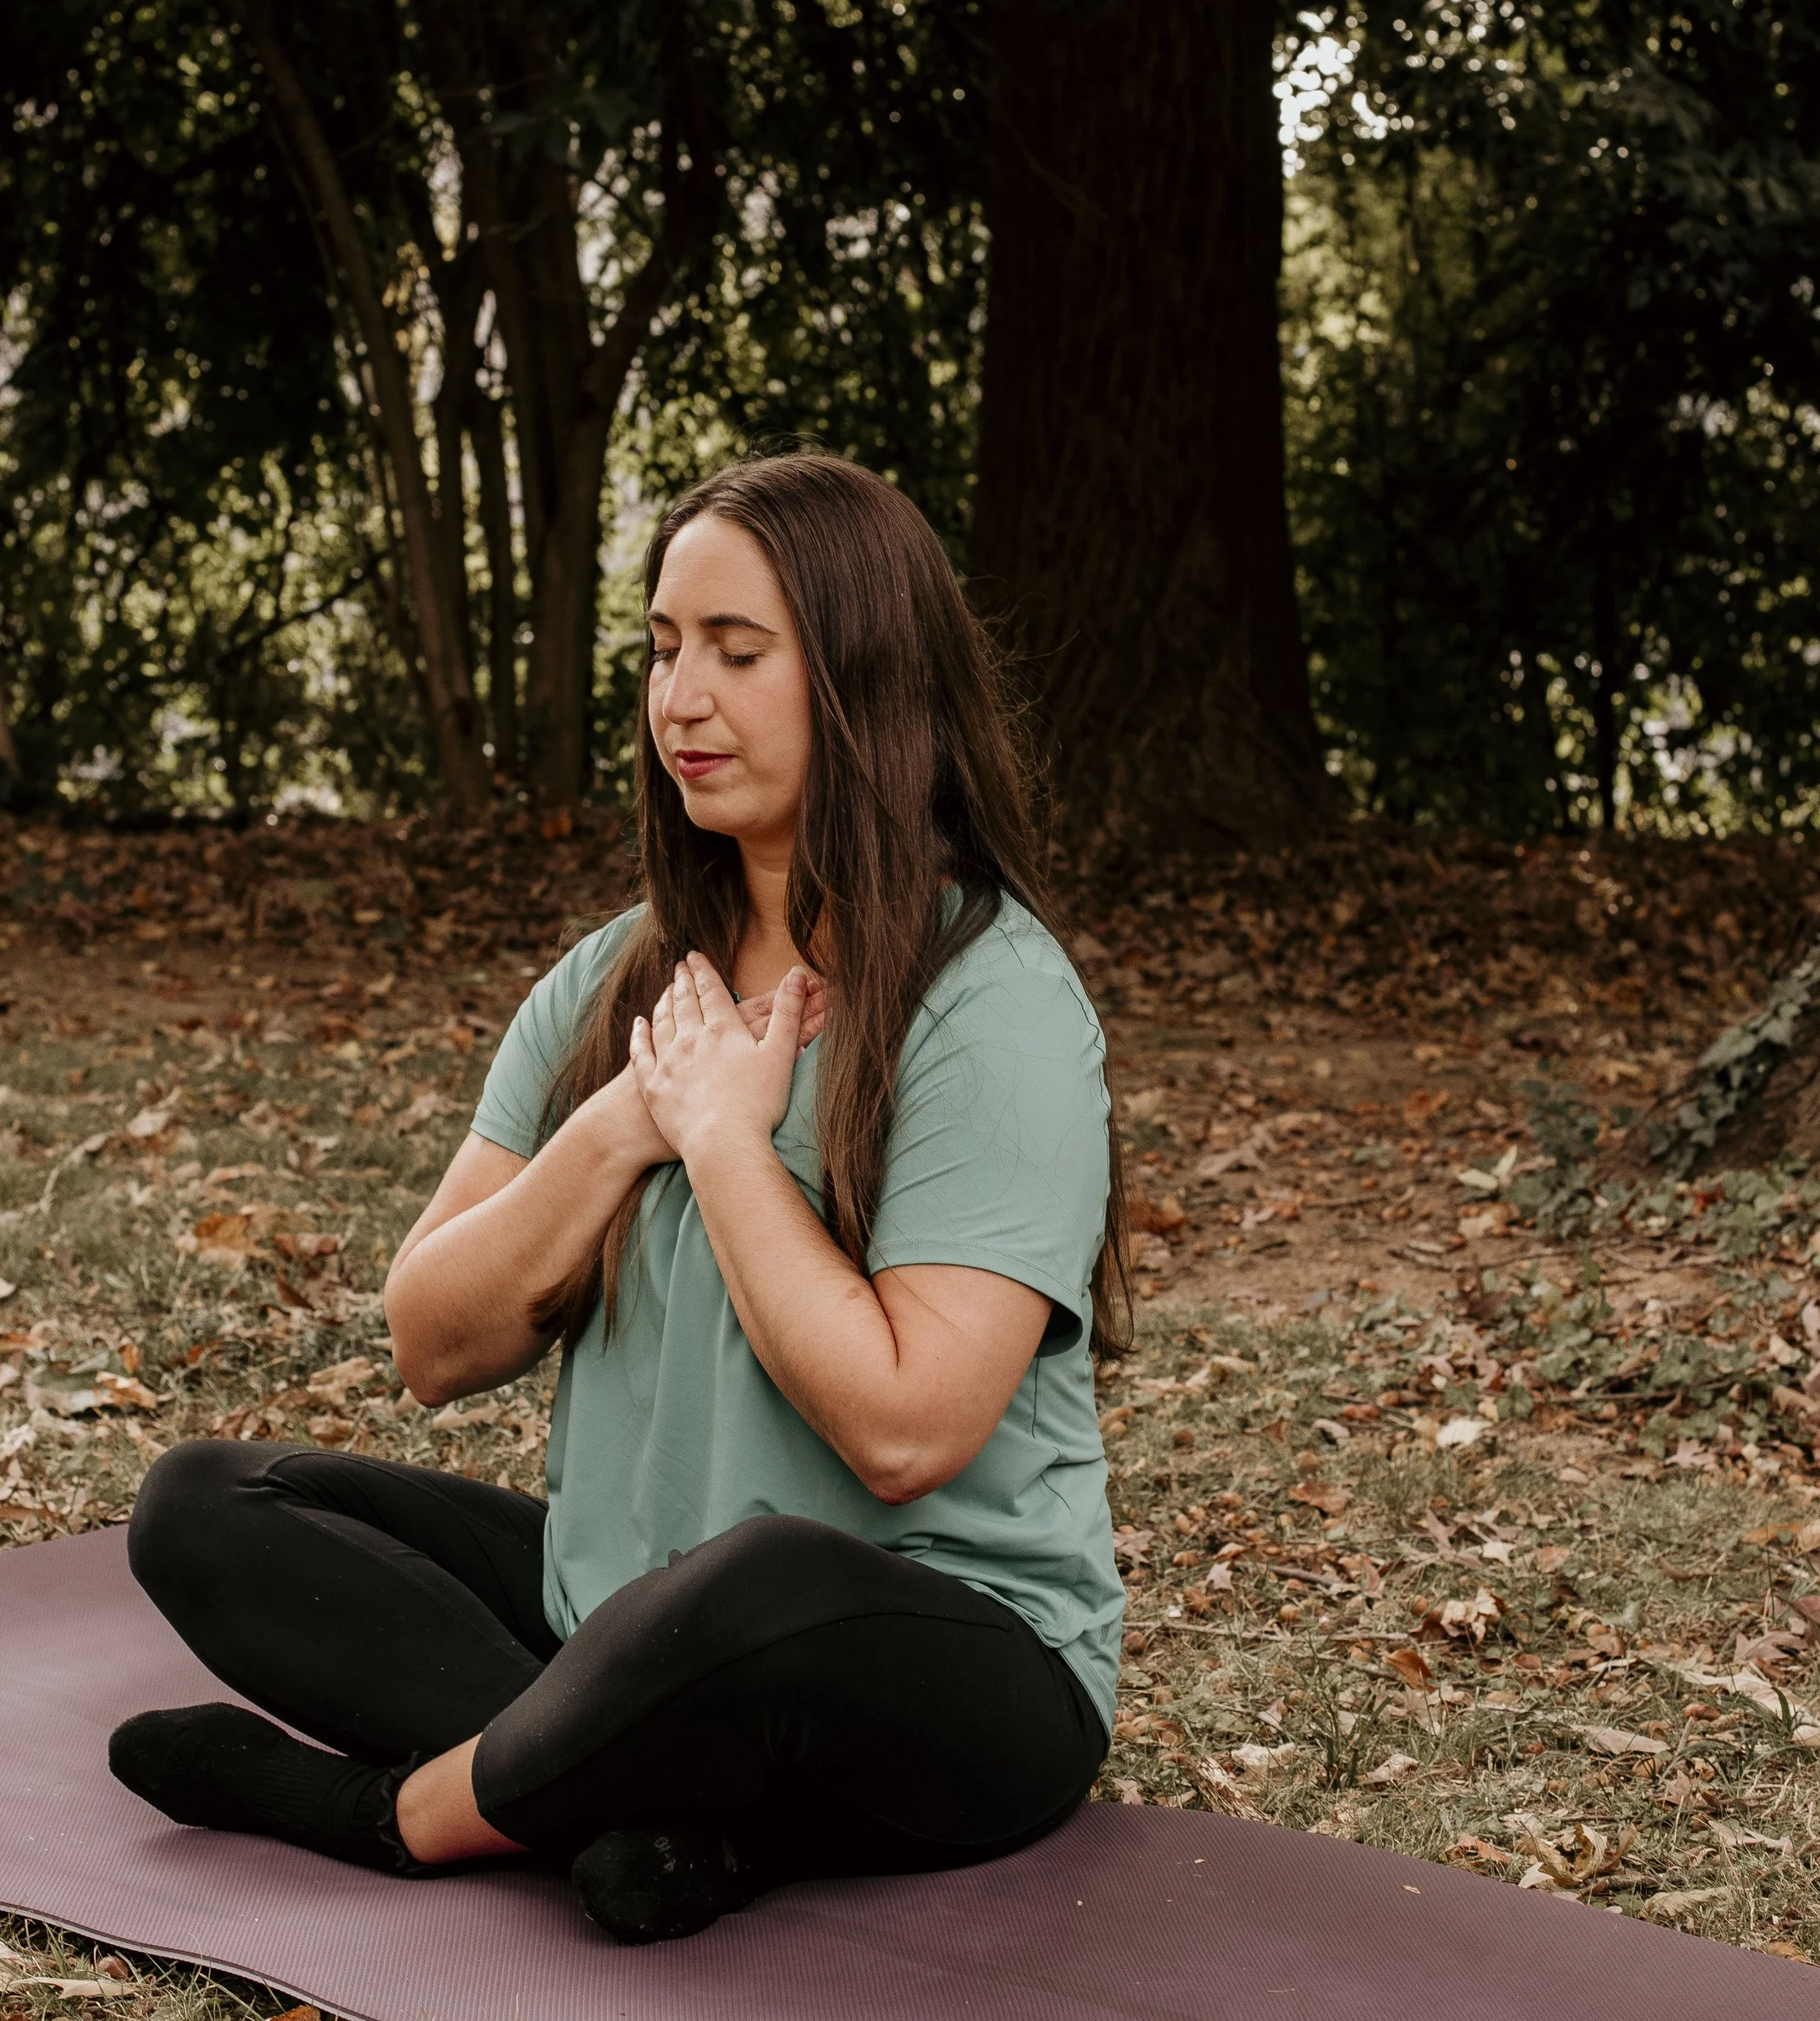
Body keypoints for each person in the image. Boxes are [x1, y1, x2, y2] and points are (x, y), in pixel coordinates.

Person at [109, 452, 1129, 1943]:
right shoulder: (616, 981)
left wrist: (727, 1146)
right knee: (205, 1507)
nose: (680, 702)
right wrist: (624, 1127)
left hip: (937, 1654)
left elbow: (908, 1431)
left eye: (736, 651)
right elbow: (431, 1342)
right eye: (661, 650)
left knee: (760, 1583)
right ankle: (660, 1810)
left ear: (863, 677)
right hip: (623, 1621)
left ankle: (393, 1814)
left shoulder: (996, 1007)